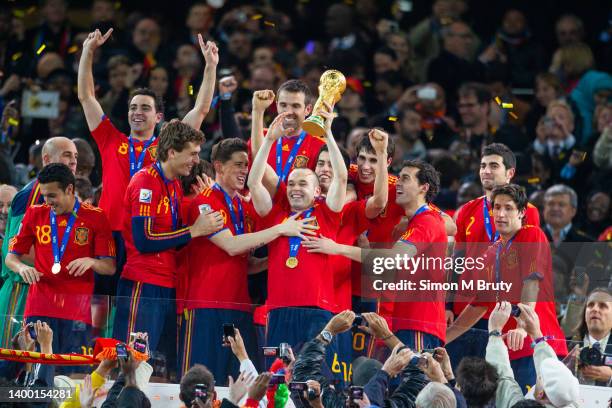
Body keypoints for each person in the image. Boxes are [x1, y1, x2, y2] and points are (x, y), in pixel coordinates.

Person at [77, 27, 218, 296]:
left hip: (147, 234)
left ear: (159, 117)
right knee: (102, 303)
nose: (137, 112)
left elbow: (200, 109)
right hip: (109, 232)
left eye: (144, 108)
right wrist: (88, 51)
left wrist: (210, 66)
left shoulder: (168, 148)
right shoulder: (111, 140)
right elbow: (86, 97)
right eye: (133, 107)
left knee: (134, 307)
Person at [179, 137, 318, 380]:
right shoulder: (205, 202)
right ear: (219, 167)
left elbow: (245, 263)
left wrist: (275, 258)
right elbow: (231, 246)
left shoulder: (242, 207)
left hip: (239, 307)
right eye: (238, 165)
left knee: (239, 380)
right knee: (201, 380)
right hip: (206, 306)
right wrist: (280, 229)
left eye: (247, 165)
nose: (244, 170)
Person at [112, 121, 223, 366]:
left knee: (158, 364)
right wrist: (193, 231)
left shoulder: (173, 184)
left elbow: (173, 236)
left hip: (166, 283)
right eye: (192, 154)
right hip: (142, 283)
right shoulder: (145, 182)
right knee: (132, 360)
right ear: (172, 152)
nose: (196, 160)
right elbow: (144, 241)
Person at [247, 102, 346, 354]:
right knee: (278, 375)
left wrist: (329, 135)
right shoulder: (276, 216)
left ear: (316, 191)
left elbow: (341, 177)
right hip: (279, 308)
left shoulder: (327, 213)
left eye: (302, 183)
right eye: (291, 183)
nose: (295, 188)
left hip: (317, 309)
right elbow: (254, 181)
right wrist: (269, 140)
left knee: (312, 376)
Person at [452, 184, 567, 392]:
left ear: (522, 212)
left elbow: (531, 282)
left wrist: (522, 327)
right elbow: (479, 305)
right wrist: (443, 338)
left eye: (509, 208)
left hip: (538, 344)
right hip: (507, 351)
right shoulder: (491, 253)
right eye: (496, 207)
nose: (501, 214)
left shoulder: (532, 234)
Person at [5, 163, 115, 356]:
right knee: (36, 370)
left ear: (69, 189)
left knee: (72, 375)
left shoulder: (95, 217)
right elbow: (11, 258)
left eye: (52, 195)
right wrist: (22, 268)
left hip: (77, 310)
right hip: (40, 307)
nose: (47, 201)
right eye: (44, 196)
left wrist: (91, 261)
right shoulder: (34, 214)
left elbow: (110, 267)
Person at [446, 143, 540, 368]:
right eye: (483, 165)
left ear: (510, 173)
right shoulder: (466, 211)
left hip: (504, 315)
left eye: (494, 166)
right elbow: (457, 261)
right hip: (466, 310)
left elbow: (530, 272)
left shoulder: (528, 212)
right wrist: (448, 305)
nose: (486, 171)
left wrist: (522, 322)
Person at [0, 137, 77, 348]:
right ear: (46, 159)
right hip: (22, 288)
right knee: (12, 359)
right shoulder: (28, 196)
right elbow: (15, 250)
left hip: (49, 291)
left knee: (42, 360)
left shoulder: (69, 197)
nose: (73, 161)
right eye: (67, 155)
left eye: (75, 157)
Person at [486, 302, 579, 407]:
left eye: (539, 376)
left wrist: (494, 331)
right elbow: (556, 376)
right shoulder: (570, 403)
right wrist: (537, 335)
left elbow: (503, 381)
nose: (538, 375)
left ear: (541, 394)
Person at [249, 81, 325, 180]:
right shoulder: (260, 135)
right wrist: (257, 110)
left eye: (295, 106)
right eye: (283, 105)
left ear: (308, 109)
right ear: (276, 106)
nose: (288, 112)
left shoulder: (319, 146)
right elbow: (255, 165)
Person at [568, 287, 612, 386]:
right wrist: (569, 363)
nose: (595, 309)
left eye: (602, 306)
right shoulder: (566, 344)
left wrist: (610, 377)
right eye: (590, 305)